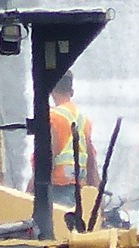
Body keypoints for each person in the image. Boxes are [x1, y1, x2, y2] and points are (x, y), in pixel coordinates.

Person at [28, 70, 101, 207]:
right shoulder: (84, 120)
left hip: (56, 192)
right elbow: (91, 164)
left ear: (51, 90)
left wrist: (29, 193)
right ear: (71, 92)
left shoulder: (52, 117)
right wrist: (98, 202)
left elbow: (46, 161)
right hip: (80, 194)